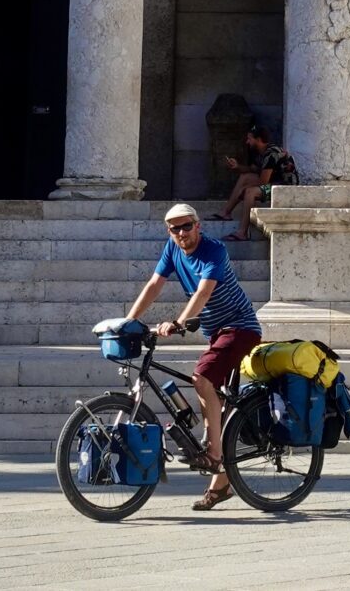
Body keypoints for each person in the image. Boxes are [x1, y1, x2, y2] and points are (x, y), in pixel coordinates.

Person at [128, 201, 263, 511]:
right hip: (216, 333)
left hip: (240, 327)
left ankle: (214, 453)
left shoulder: (214, 251)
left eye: (187, 226)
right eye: (175, 228)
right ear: (169, 231)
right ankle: (221, 481)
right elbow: (154, 284)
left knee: (201, 378)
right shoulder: (172, 249)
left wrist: (177, 323)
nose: (181, 233)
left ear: (198, 225)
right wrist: (130, 320)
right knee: (218, 398)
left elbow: (203, 292)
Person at [217, 121, 293, 229]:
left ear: (258, 140)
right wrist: (237, 166)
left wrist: (243, 189)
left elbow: (263, 182)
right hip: (273, 184)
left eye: (250, 139)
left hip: (283, 189)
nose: (247, 142)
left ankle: (242, 232)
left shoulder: (271, 154)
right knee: (245, 177)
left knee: (250, 192)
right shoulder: (260, 153)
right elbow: (251, 169)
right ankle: (226, 212)